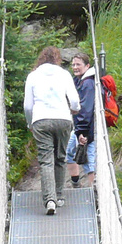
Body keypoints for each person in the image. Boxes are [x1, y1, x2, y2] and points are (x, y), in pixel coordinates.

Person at [23, 45, 79, 216]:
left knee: (46, 160)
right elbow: (75, 101)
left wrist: (30, 123)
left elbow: (27, 105)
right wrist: (73, 110)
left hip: (41, 120)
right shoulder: (64, 74)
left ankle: (50, 200)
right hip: (63, 119)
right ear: (57, 59)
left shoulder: (32, 76)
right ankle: (60, 196)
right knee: (61, 158)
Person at [67, 52, 98, 188]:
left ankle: (94, 190)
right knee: (69, 151)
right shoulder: (78, 81)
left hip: (87, 128)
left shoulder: (88, 84)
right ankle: (76, 183)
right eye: (73, 64)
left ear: (87, 65)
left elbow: (86, 109)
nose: (75, 67)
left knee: (89, 158)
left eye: (78, 64)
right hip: (79, 126)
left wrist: (82, 132)